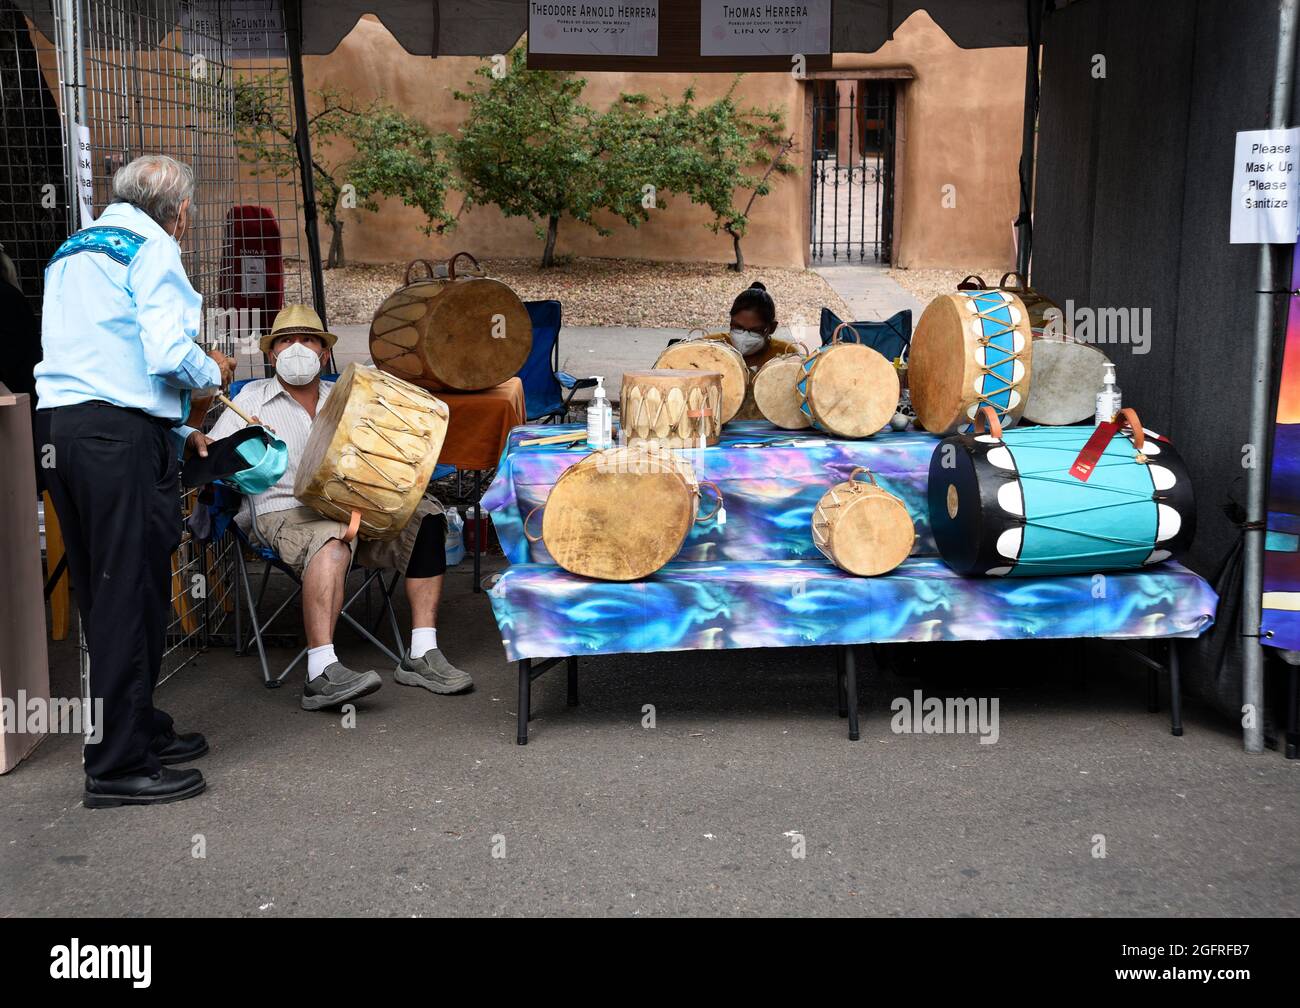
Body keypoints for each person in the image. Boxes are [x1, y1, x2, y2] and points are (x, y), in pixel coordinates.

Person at [36, 154, 235, 808]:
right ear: (177, 213)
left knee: (115, 590)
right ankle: (118, 766)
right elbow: (163, 353)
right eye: (188, 215)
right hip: (115, 441)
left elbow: (106, 360)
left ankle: (137, 728)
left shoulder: (73, 247)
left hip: (67, 433)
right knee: (130, 594)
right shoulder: (152, 248)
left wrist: (177, 431)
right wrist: (213, 371)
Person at [207, 304, 472, 712]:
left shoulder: (349, 398)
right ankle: (321, 672)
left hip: (356, 507)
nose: (297, 348)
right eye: (285, 341)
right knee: (332, 541)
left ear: (324, 353)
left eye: (308, 340)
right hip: (284, 513)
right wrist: (247, 446)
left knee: (427, 516)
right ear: (271, 353)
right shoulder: (250, 401)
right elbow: (213, 462)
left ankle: (422, 652)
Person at [712, 281, 798, 367]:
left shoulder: (786, 354)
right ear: (731, 321)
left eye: (755, 330)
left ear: (772, 328)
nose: (744, 336)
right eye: (738, 327)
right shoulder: (712, 346)